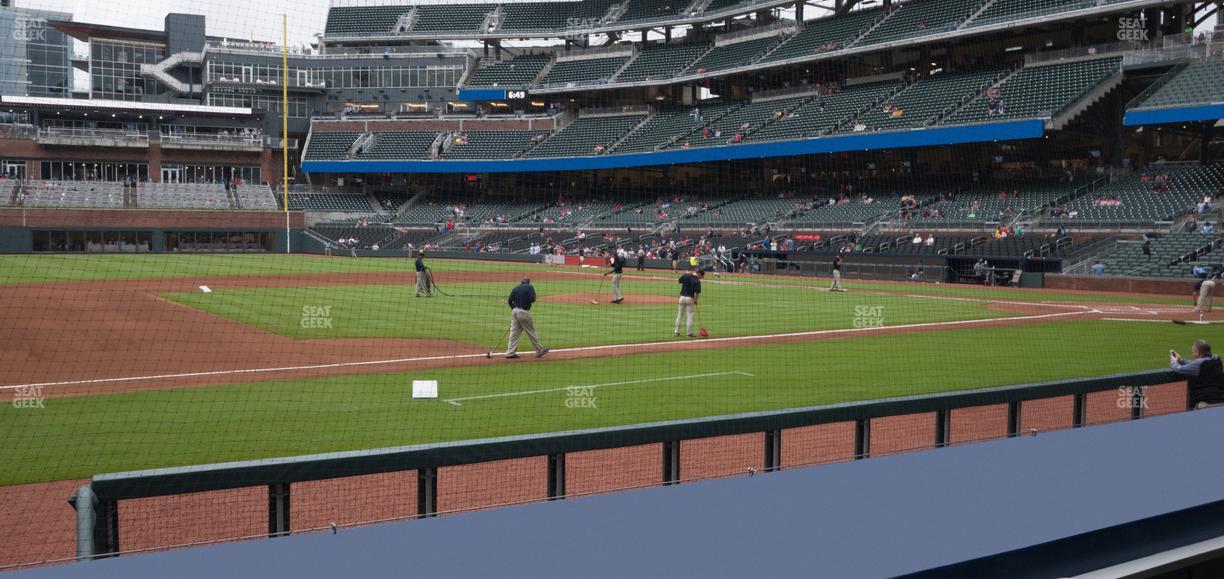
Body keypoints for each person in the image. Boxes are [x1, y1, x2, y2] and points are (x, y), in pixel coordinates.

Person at [1171, 340, 1224, 409]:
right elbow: (1196, 363)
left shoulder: (1199, 363)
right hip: (1221, 400)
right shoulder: (1216, 358)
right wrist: (1182, 361)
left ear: (1197, 352)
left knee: (1194, 410)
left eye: (1193, 351)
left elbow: (1178, 368)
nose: (1192, 352)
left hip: (1206, 404)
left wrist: (1174, 361)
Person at [505, 277, 547, 359]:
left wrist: (514, 308)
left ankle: (510, 352)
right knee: (531, 331)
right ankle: (539, 350)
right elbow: (532, 299)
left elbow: (509, 300)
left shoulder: (515, 288)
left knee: (514, 333)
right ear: (528, 282)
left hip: (514, 311)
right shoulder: (529, 287)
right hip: (523, 312)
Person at [675, 269, 704, 338]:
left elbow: (679, 281)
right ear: (699, 274)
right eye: (701, 276)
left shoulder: (686, 275)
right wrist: (695, 300)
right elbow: (697, 293)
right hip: (690, 299)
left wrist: (685, 275)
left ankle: (676, 332)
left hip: (682, 298)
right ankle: (689, 333)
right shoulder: (697, 281)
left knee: (680, 315)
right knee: (690, 316)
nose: (701, 278)